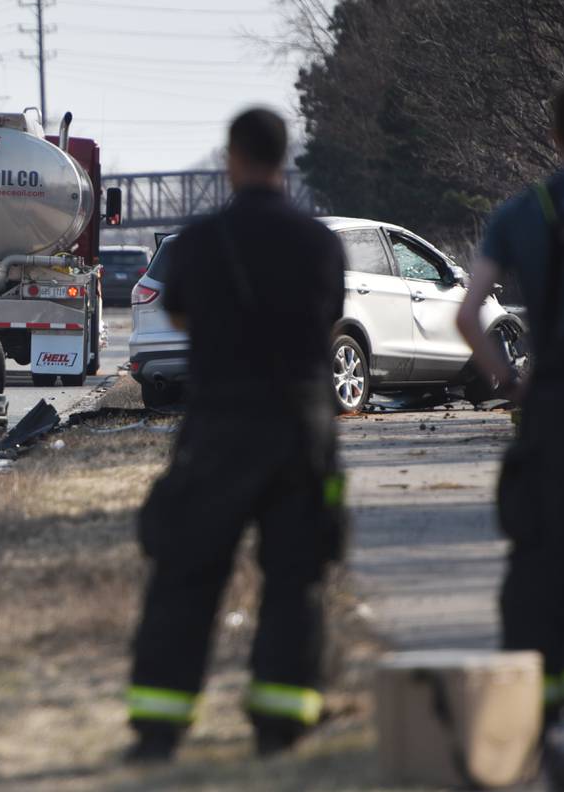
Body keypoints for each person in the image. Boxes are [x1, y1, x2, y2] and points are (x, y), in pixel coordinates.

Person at [124, 108, 347, 762]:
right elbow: (327, 314)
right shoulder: (321, 245)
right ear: (284, 161)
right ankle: (282, 722)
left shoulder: (199, 243)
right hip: (303, 427)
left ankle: (158, 728)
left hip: (219, 423)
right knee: (297, 577)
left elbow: (182, 310)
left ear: (234, 159)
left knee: (186, 571)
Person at [457, 81, 564, 726]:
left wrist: (511, 381)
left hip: (548, 400)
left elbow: (468, 314)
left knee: (540, 546)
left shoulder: (524, 212)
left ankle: (539, 699)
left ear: (555, 137)